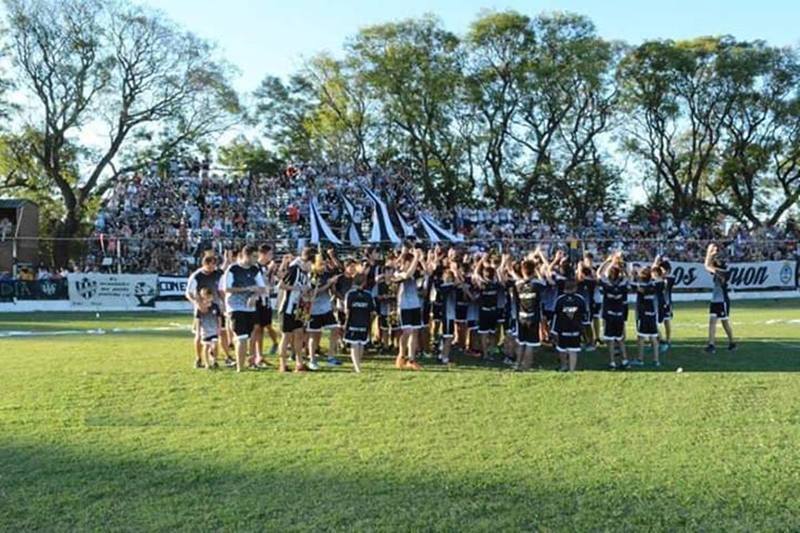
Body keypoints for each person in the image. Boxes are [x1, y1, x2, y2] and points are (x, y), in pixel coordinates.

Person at [223, 245, 266, 372]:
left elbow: (262, 288)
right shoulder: (233, 269)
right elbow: (227, 289)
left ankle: (247, 361)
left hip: (250, 308)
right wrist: (247, 289)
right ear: (245, 255)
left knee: (248, 336)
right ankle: (240, 368)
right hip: (235, 307)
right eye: (254, 256)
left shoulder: (254, 269)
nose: (256, 259)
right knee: (241, 337)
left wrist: (255, 295)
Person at [185, 253, 228, 368]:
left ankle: (219, 358)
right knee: (199, 335)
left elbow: (221, 290)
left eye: (215, 265)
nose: (213, 268)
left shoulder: (218, 273)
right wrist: (197, 304)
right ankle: (198, 359)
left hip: (215, 308)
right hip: (202, 310)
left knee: (220, 332)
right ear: (205, 264)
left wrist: (224, 304)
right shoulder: (196, 276)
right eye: (211, 265)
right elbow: (188, 294)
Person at [277, 248, 313, 372]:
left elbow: (307, 290)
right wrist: (297, 288)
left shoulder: (305, 273)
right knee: (286, 336)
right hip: (288, 307)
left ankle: (299, 363)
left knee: (299, 334)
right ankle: (282, 364)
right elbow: (281, 285)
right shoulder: (294, 269)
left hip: (299, 308)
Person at [392, 248, 424, 370]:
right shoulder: (398, 273)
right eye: (410, 262)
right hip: (404, 306)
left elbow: (427, 272)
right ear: (405, 263)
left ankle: (411, 359)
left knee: (415, 332)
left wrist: (422, 259)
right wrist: (416, 257)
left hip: (415, 305)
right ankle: (401, 355)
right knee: (407, 332)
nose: (413, 265)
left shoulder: (415, 274)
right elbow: (408, 274)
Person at [598, 253, 629, 369]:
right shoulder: (622, 284)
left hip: (609, 314)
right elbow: (628, 277)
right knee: (620, 339)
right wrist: (622, 267)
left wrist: (608, 261)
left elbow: (599, 273)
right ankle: (625, 360)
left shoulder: (607, 284)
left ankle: (612, 362)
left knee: (610, 340)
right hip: (619, 314)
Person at [704, 244, 736, 353]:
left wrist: (709, 252)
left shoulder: (724, 273)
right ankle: (711, 344)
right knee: (712, 321)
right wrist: (712, 254)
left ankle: (732, 342)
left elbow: (707, 266)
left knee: (724, 322)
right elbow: (710, 265)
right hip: (715, 299)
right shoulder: (720, 271)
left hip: (722, 300)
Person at [514, 259, 545, 371]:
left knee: (521, 342)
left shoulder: (518, 284)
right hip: (533, 317)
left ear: (522, 271)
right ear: (534, 271)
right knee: (530, 344)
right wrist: (537, 269)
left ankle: (517, 364)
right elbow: (543, 281)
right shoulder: (537, 284)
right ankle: (526, 366)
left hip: (521, 317)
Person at [551, 277, 588, 372]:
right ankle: (572, 369)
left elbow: (555, 315)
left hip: (562, 329)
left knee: (562, 349)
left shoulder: (560, 299)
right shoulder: (580, 299)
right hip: (575, 329)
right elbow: (584, 315)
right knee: (573, 350)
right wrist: (583, 329)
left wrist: (553, 330)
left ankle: (564, 366)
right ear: (575, 288)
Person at [252, 244, 278, 367]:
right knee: (256, 328)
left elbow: (270, 284)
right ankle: (255, 356)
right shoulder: (255, 266)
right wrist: (268, 271)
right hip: (257, 300)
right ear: (263, 254)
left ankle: (260, 355)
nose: (271, 257)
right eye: (270, 254)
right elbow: (259, 282)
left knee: (263, 327)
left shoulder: (267, 267)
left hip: (265, 300)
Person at [343, 271, 374, 373]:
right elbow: (372, 311)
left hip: (352, 322)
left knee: (354, 344)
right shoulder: (368, 295)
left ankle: (357, 367)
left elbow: (346, 310)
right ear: (364, 282)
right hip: (364, 322)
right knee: (361, 343)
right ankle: (358, 364)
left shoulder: (350, 294)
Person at [631, 266, 660, 367]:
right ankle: (656, 360)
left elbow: (633, 285)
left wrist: (632, 276)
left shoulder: (641, 286)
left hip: (643, 314)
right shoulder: (653, 284)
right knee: (653, 338)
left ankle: (640, 359)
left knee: (641, 337)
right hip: (652, 314)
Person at [194, 287, 221, 369]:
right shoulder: (200, 308)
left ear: (211, 296)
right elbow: (198, 320)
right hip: (205, 331)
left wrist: (219, 328)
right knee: (206, 346)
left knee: (215, 345)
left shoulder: (215, 306)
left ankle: (214, 360)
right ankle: (207, 364)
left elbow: (219, 318)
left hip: (214, 330)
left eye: (208, 296)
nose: (206, 298)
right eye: (203, 297)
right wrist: (198, 331)